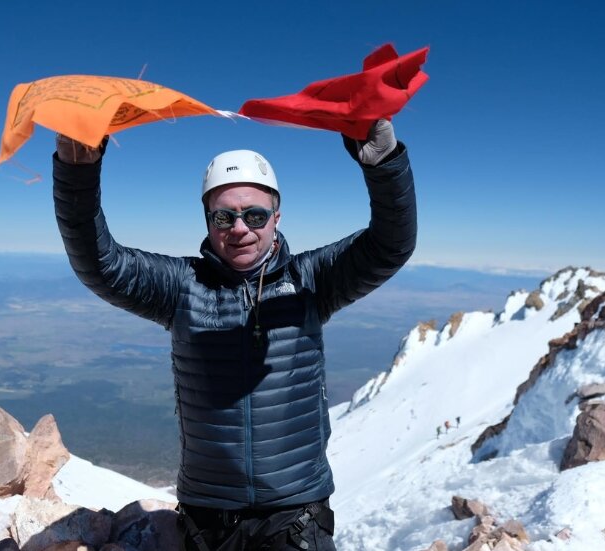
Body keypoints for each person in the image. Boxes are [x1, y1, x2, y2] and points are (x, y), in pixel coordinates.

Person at [52, 119, 417, 550]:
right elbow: (100, 264)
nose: (239, 228)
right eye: (224, 216)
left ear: (276, 218)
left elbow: (390, 244)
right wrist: (78, 169)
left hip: (294, 514)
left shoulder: (311, 280)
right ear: (208, 221)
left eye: (254, 215)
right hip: (208, 517)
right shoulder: (182, 286)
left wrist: (384, 165)